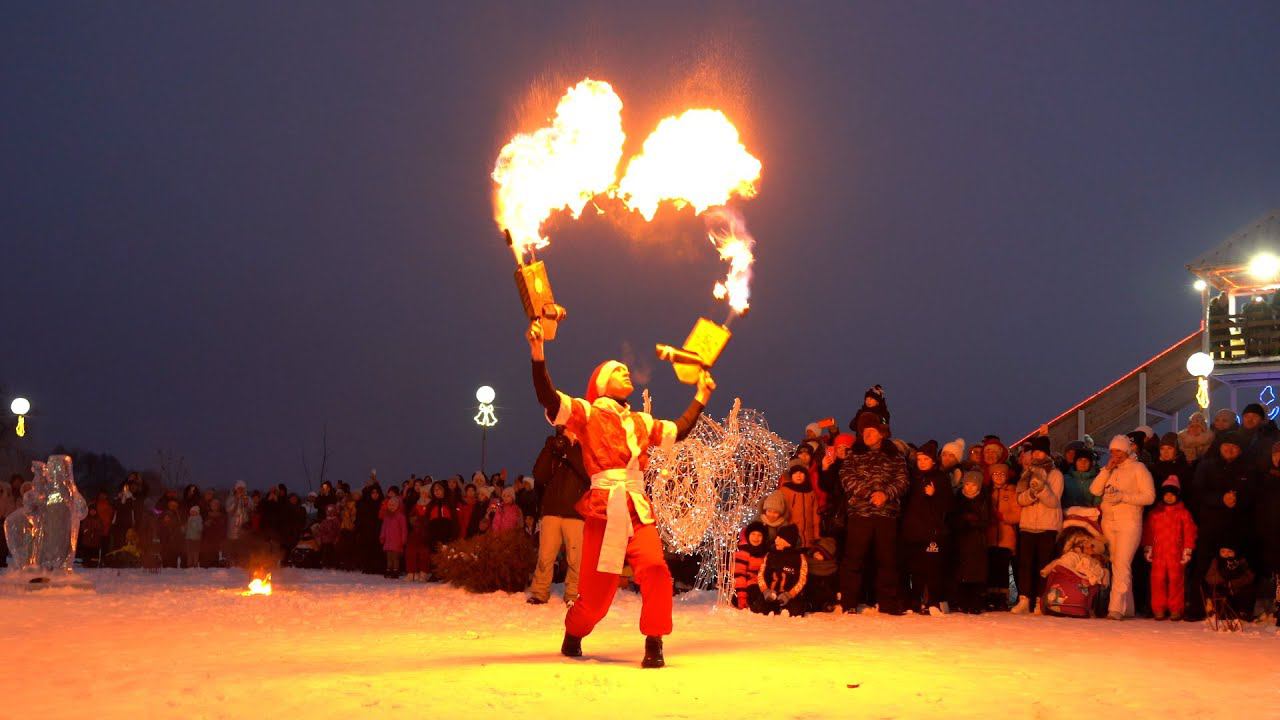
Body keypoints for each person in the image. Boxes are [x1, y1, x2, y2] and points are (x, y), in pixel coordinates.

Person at [527, 316, 714, 668]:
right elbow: (548, 399)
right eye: (617, 370)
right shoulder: (587, 413)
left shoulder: (642, 421)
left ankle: (654, 640)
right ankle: (575, 631)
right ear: (601, 382)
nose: (626, 372)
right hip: (602, 508)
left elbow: (680, 430)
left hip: (637, 508)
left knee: (657, 570)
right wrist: (538, 351)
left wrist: (701, 395)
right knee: (597, 597)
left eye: (627, 369)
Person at [838, 412, 909, 615]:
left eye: (871, 431)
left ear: (881, 433)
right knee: (853, 559)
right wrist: (870, 494)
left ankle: (888, 602)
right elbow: (846, 478)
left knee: (887, 560)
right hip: (860, 514)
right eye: (864, 432)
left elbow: (903, 480)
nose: (867, 435)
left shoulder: (895, 455)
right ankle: (849, 602)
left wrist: (886, 495)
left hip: (886, 514)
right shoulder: (854, 454)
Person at [1186, 432, 1255, 620]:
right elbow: (1198, 492)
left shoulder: (1246, 469)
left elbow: (1253, 495)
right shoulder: (1207, 465)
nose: (1230, 449)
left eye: (1235, 447)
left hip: (1236, 527)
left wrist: (1237, 501)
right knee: (1203, 566)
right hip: (1210, 525)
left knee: (1234, 568)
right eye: (1227, 445)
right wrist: (1220, 499)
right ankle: (1196, 608)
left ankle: (1232, 609)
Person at [1090, 435, 1156, 619]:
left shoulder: (1139, 469)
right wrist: (1106, 470)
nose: (1115, 454)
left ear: (1127, 450)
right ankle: (1128, 608)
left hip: (1129, 522)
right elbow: (1095, 490)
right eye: (1112, 451)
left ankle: (1116, 608)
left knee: (1122, 563)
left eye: (1118, 450)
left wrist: (1123, 497)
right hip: (1109, 522)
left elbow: (1149, 496)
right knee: (1116, 563)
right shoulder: (1111, 470)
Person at [528, 427, 589, 605]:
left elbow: (587, 474)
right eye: (565, 429)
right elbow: (539, 475)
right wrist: (551, 447)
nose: (569, 432)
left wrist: (569, 449)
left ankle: (573, 594)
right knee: (545, 556)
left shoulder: (584, 448)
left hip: (576, 513)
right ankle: (539, 592)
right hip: (551, 510)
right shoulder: (554, 448)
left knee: (575, 558)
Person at [1012, 437, 1063, 614]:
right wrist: (1032, 494)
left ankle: (1041, 601)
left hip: (1047, 525)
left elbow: (1053, 502)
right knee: (1025, 564)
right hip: (1027, 525)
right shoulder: (1026, 473)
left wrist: (1041, 489)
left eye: (1040, 451)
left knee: (1043, 565)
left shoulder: (1055, 474)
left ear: (1047, 453)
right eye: (1034, 452)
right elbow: (1019, 499)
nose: (1036, 455)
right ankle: (1024, 598)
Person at [900, 440, 951, 615]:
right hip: (913, 531)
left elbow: (948, 505)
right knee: (915, 569)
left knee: (933, 569)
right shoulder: (912, 478)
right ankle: (914, 601)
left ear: (933, 461)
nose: (921, 462)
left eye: (925, 459)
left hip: (932, 531)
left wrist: (934, 496)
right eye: (919, 459)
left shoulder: (941, 478)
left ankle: (933, 602)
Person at [1142, 477, 1196, 620]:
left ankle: (1175, 609)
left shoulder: (1183, 513)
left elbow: (1190, 532)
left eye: (1172, 494)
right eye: (1166, 494)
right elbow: (1148, 531)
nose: (1169, 497)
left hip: (1175, 554)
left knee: (1176, 581)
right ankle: (1158, 608)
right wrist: (1148, 547)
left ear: (1177, 496)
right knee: (1157, 581)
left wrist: (1188, 549)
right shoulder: (1154, 514)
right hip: (1158, 554)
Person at [950, 470, 990, 614]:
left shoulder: (984, 499)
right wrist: (963, 520)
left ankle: (975, 603)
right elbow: (952, 519)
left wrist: (974, 521)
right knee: (961, 572)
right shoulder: (958, 498)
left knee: (976, 573)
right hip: (961, 539)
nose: (969, 488)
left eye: (973, 485)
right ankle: (961, 601)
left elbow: (986, 521)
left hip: (977, 540)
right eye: (967, 484)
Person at [749, 525, 808, 616]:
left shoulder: (799, 558)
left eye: (780, 538)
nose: (776, 540)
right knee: (760, 609)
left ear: (789, 541)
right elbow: (761, 574)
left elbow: (802, 579)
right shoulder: (770, 555)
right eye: (777, 537)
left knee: (796, 611)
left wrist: (789, 595)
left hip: (789, 595)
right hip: (771, 594)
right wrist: (765, 591)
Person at [986, 463, 1020, 611]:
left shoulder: (1012, 492)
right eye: (995, 474)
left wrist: (1002, 516)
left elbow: (1017, 514)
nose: (999, 477)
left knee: (1002, 569)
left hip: (1006, 537)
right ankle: (991, 597)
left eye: (1002, 474)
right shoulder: (988, 492)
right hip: (990, 537)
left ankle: (1002, 598)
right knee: (991, 568)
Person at [779, 464, 821, 548]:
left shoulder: (810, 492)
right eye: (795, 473)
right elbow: (781, 512)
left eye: (801, 473)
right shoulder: (785, 490)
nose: (798, 475)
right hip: (791, 535)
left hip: (809, 535)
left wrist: (816, 535)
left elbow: (816, 515)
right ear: (791, 476)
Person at [732, 521, 768, 609]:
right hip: (746, 586)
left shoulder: (765, 551)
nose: (756, 538)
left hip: (761, 584)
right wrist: (742, 597)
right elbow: (739, 575)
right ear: (748, 535)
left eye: (759, 535)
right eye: (753, 534)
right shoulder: (743, 550)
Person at [379, 494, 407, 579]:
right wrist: (382, 536)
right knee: (389, 557)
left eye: (393, 505)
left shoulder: (401, 517)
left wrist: (403, 539)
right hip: (388, 541)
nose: (391, 507)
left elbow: (404, 529)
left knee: (395, 558)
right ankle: (389, 570)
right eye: (390, 505)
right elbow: (383, 527)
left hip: (397, 541)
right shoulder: (387, 516)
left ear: (397, 506)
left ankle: (395, 571)